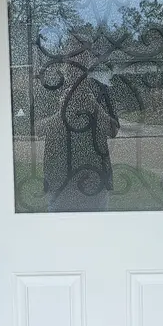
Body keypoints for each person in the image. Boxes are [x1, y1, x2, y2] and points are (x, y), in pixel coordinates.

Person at [41, 36, 120, 212]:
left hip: (96, 177)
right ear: (64, 59)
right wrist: (61, 113)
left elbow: (113, 130)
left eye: (82, 57)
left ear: (89, 60)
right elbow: (34, 129)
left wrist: (94, 105)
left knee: (98, 227)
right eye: (73, 57)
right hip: (58, 176)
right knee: (57, 227)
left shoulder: (100, 89)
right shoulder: (50, 89)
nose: (77, 62)